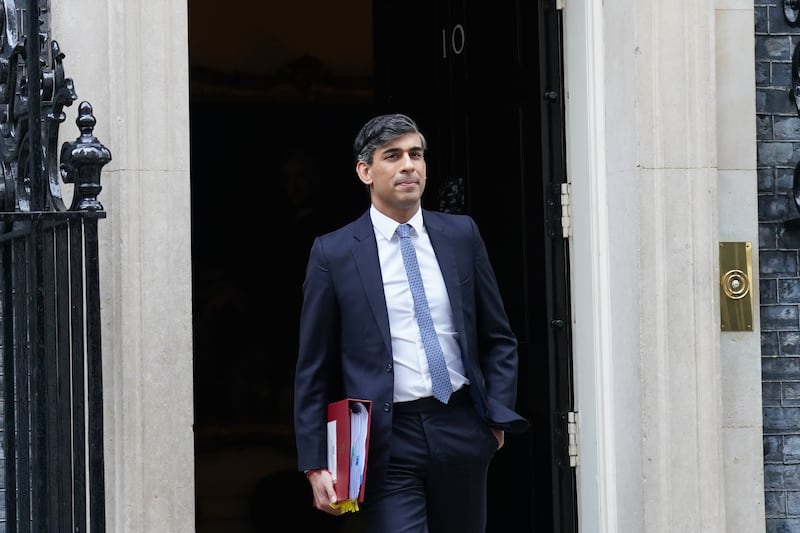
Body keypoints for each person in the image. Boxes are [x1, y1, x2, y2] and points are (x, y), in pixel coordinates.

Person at [293, 113, 529, 533]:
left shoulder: (461, 234)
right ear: (365, 171)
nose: (409, 166)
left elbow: (498, 336)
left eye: (416, 154)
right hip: (386, 440)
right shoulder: (333, 253)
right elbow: (313, 368)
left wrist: (495, 419)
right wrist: (315, 462)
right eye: (393, 156)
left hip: (460, 424)